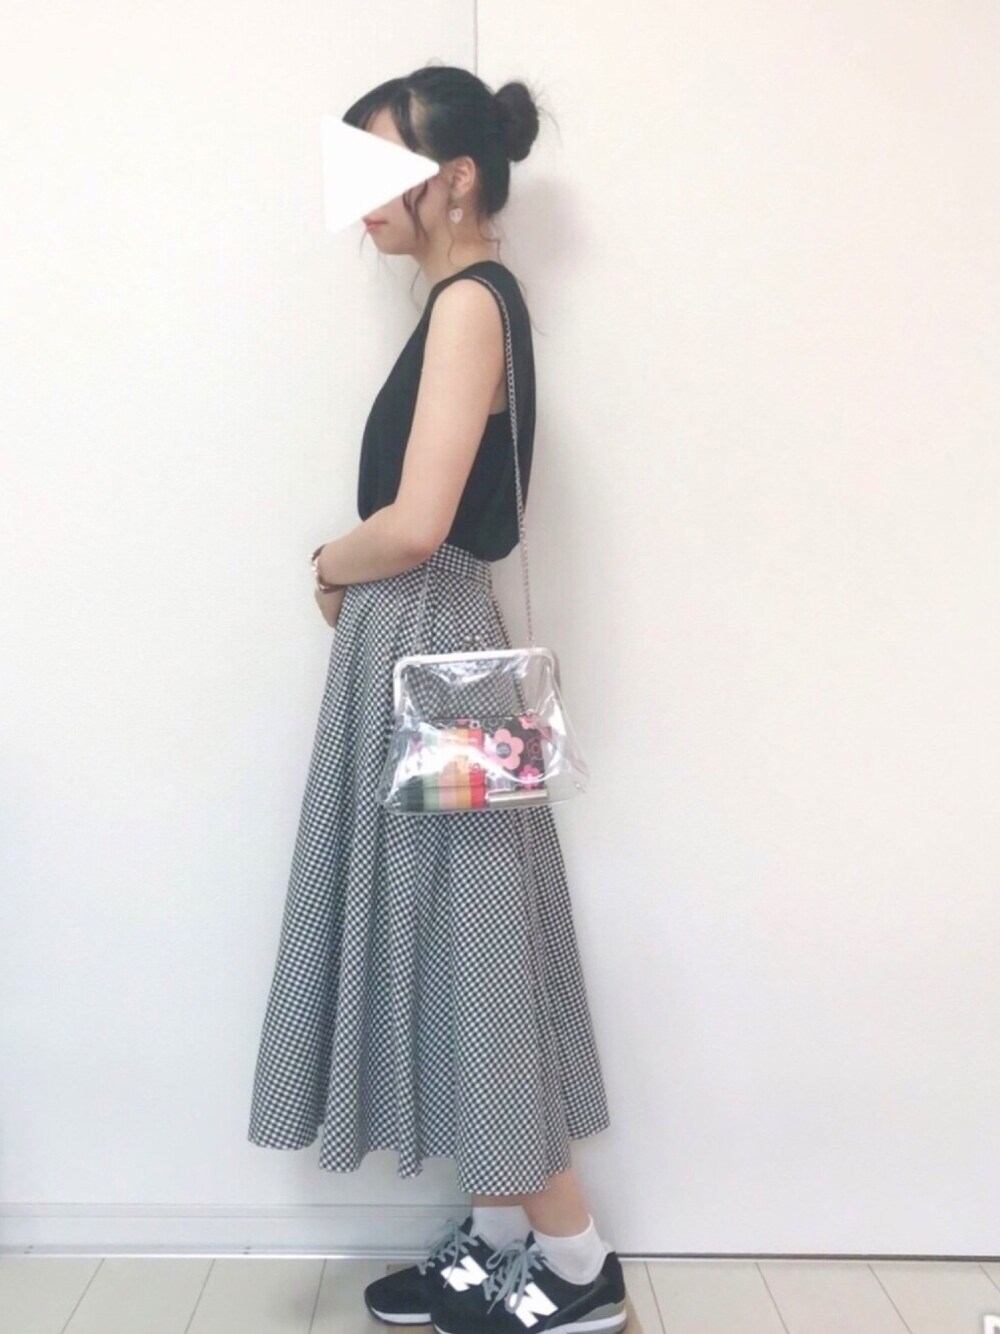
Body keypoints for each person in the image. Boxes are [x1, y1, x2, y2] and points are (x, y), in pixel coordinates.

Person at [246, 63, 627, 1333]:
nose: (360, 203)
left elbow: (415, 525)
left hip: (436, 644)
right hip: (434, 650)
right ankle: (502, 1235)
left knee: (474, 949)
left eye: (382, 171)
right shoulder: (466, 301)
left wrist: (325, 563)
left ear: (455, 178)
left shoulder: (470, 303)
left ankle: (575, 1265)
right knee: (455, 942)